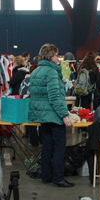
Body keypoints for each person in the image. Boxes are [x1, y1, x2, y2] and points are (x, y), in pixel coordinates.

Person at [28, 43, 74, 188]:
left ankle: (46, 176)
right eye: (55, 55)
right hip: (54, 116)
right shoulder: (52, 72)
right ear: (50, 56)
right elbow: (55, 97)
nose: (57, 58)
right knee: (60, 147)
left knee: (47, 146)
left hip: (42, 116)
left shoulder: (36, 71)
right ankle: (58, 178)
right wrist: (64, 115)